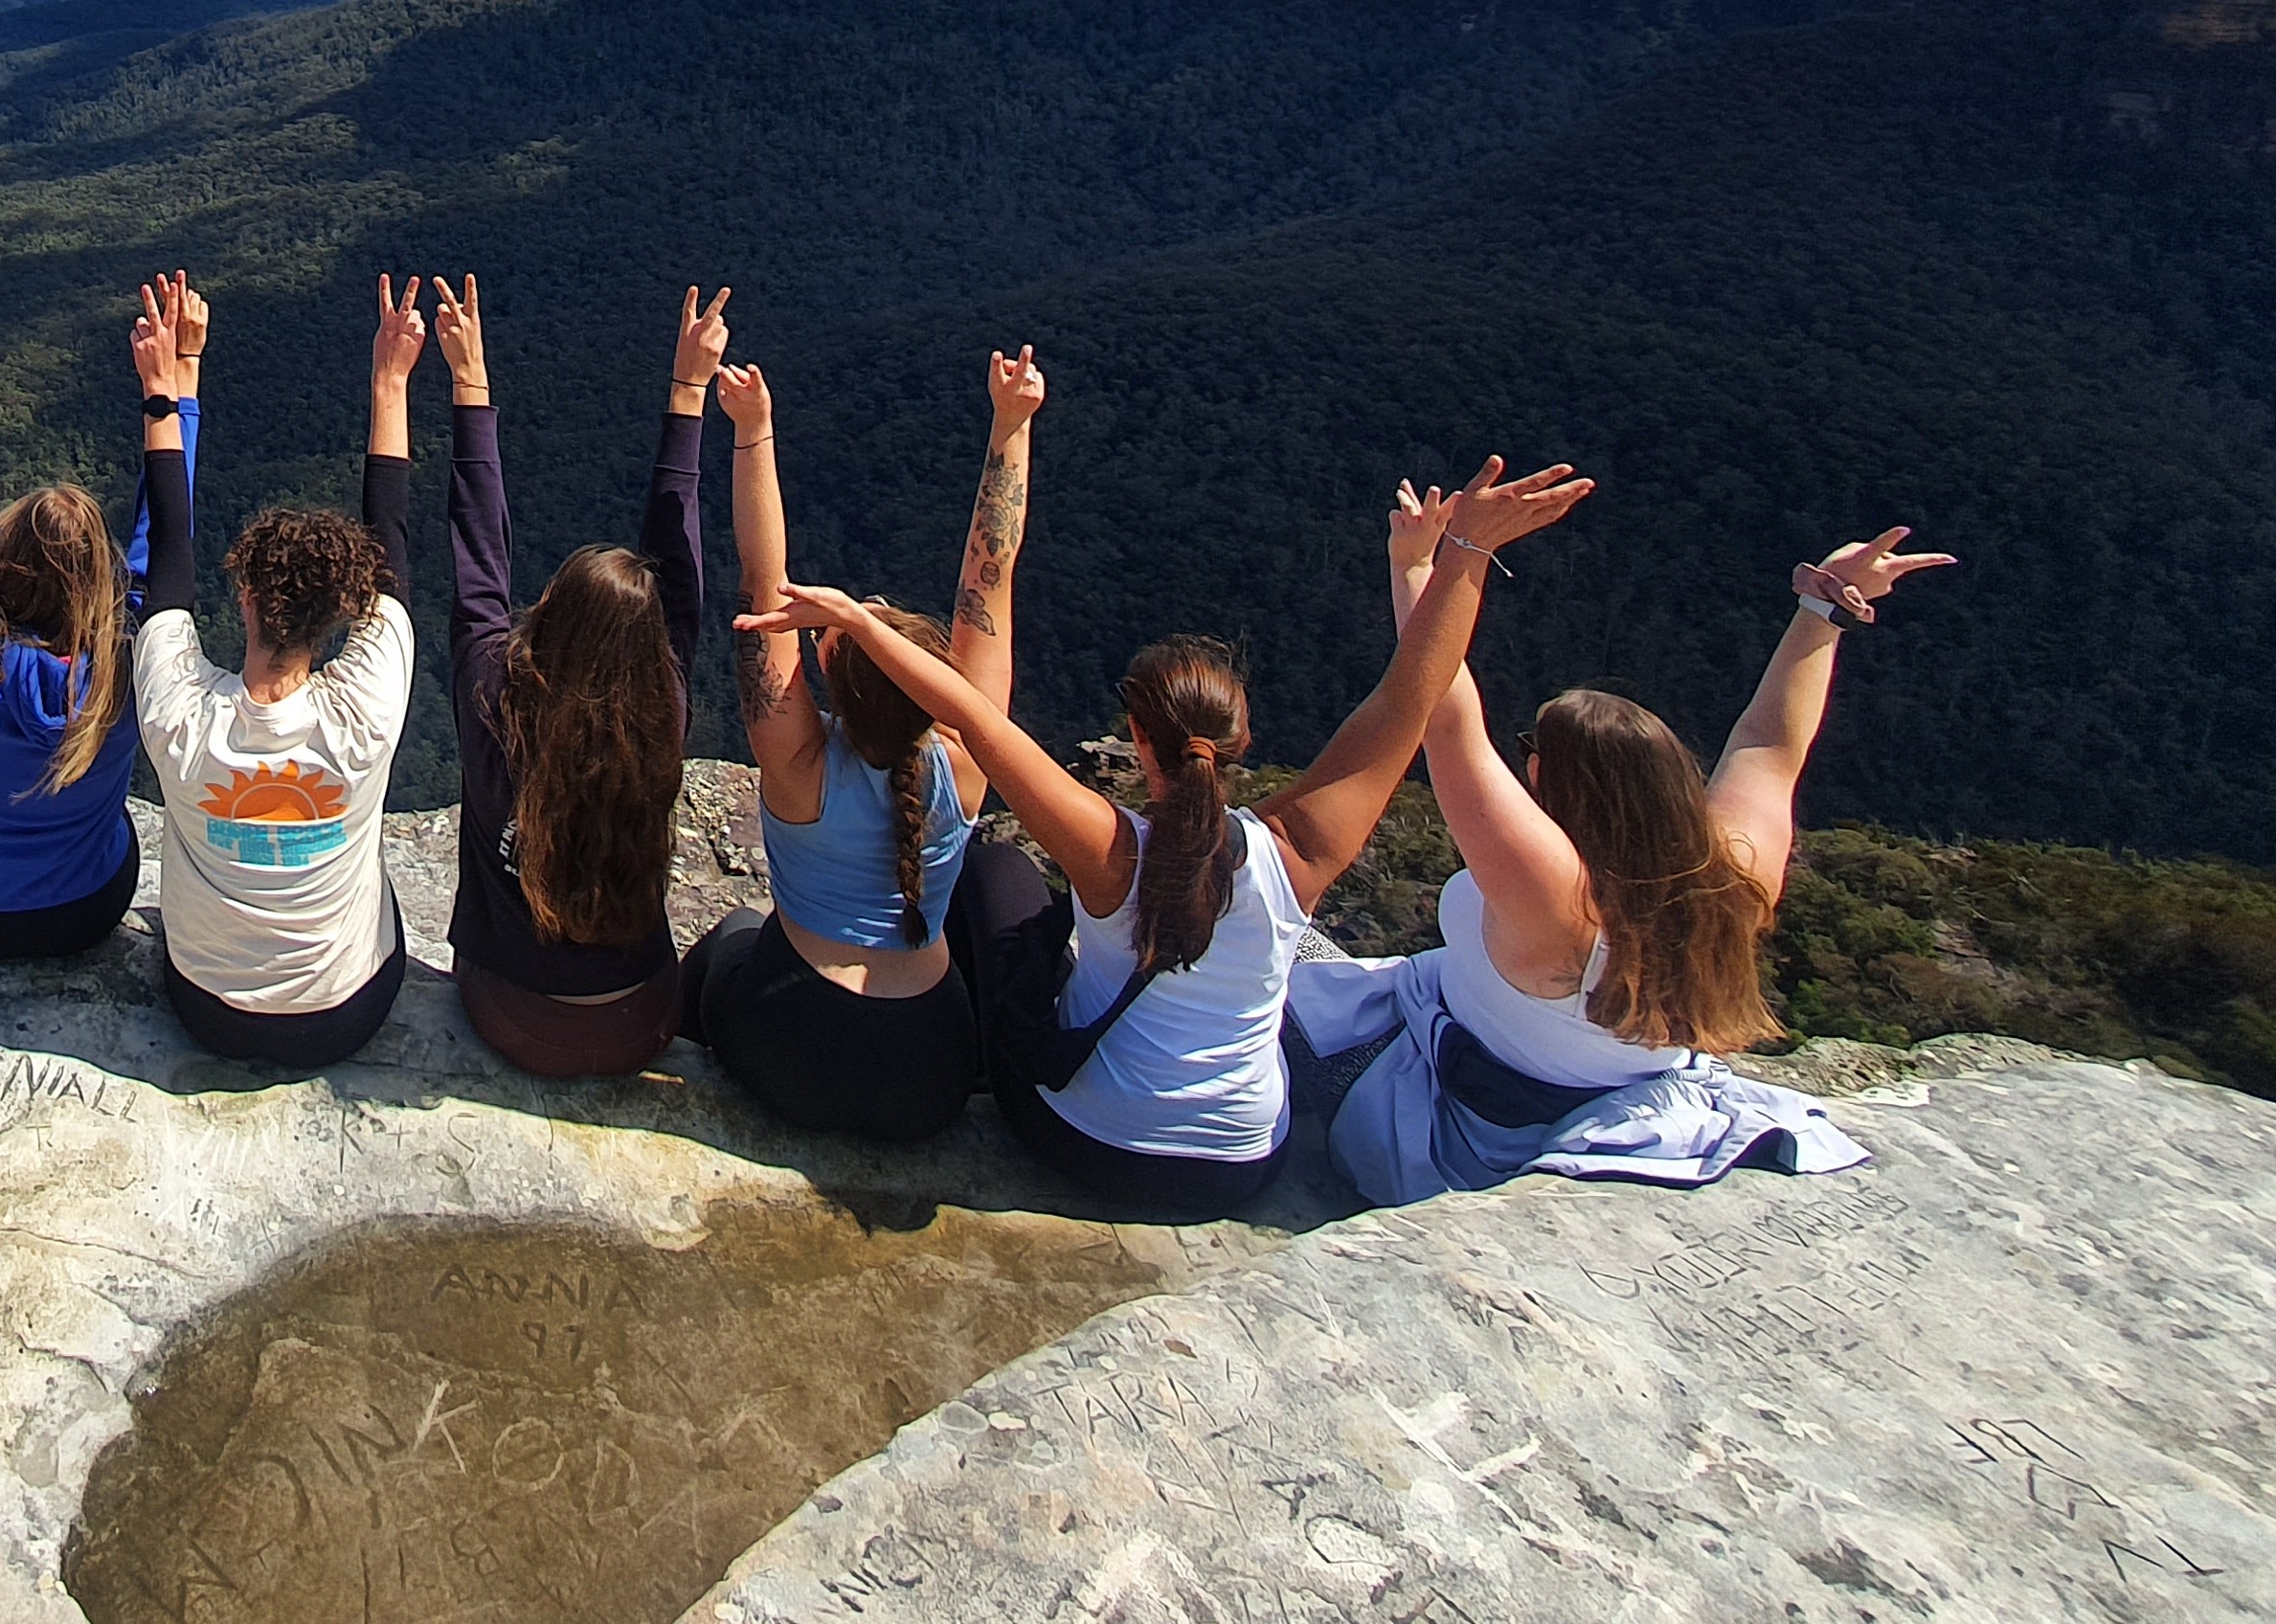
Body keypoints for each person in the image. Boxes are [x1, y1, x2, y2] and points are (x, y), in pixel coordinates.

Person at [756, 443, 1598, 1211]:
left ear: (1135, 736)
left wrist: (858, 625)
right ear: (1242, 741)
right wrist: (1459, 558)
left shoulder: (1108, 849)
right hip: (1238, 1163)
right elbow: (1412, 693)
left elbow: (976, 719)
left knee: (996, 875)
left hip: (1083, 1142)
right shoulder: (1300, 853)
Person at [1296, 506, 1943, 1202]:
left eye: (1531, 748)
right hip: (1622, 1107)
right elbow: (1769, 744)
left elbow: (1446, 719)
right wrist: (1823, 610)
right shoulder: (1732, 878)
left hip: (1457, 1119)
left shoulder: (1555, 895)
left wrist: (1424, 566)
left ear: (1545, 774)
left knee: (1259, 936)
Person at [671, 350, 992, 1140]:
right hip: (932, 1070)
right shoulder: (971, 758)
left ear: (827, 670)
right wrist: (1011, 427)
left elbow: (764, 580)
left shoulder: (798, 766)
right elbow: (990, 581)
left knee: (736, 933)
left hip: (792, 1045)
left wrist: (754, 430)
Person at [133, 275, 425, 1068]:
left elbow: (169, 555)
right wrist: (391, 380)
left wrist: (167, 388)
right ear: (343, 609)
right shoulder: (365, 712)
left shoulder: (180, 717)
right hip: (347, 1010)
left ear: (246, 597)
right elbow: (390, 539)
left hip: (210, 1010)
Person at [437, 278, 710, 1077]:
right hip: (643, 1018)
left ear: (548, 622)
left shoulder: (494, 700)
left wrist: (470, 381)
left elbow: (479, 563)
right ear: (650, 646)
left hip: (510, 1014)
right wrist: (688, 392)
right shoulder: (662, 712)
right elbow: (681, 584)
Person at [0, 263, 184, 960]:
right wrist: (177, 380)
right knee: (117, 824)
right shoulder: (129, 658)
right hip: (86, 910)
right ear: (102, 576)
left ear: (2, 570)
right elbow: (166, 531)